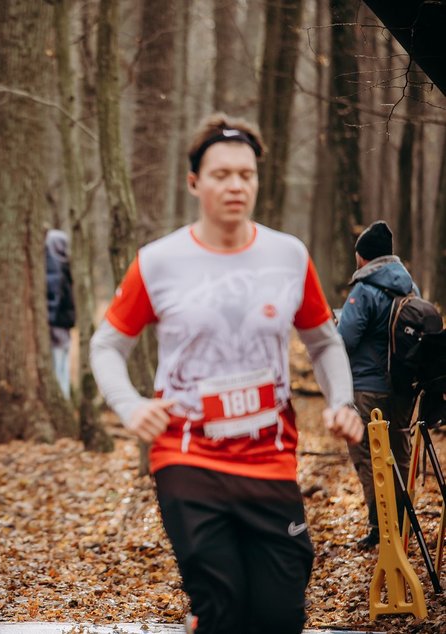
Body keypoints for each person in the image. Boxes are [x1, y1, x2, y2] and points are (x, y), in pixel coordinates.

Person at [89, 114, 363, 634]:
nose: (236, 185)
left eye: (246, 174)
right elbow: (106, 345)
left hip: (270, 459)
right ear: (194, 182)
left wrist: (342, 402)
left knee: (281, 614)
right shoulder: (159, 261)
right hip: (187, 456)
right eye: (221, 175)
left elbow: (324, 340)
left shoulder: (287, 255)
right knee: (223, 603)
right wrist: (130, 406)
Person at [337, 220, 416, 549]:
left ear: (363, 257)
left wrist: (337, 322)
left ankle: (380, 525)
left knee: (367, 456)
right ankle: (402, 523)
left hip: (369, 390)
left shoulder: (365, 289)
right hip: (403, 388)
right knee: (399, 455)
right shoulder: (410, 288)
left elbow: (345, 339)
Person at [45, 229, 75, 397]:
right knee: (63, 363)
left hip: (56, 326)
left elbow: (54, 297)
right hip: (64, 326)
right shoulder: (64, 264)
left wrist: (48, 320)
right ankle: (65, 397)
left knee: (58, 365)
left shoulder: (54, 264)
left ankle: (62, 397)